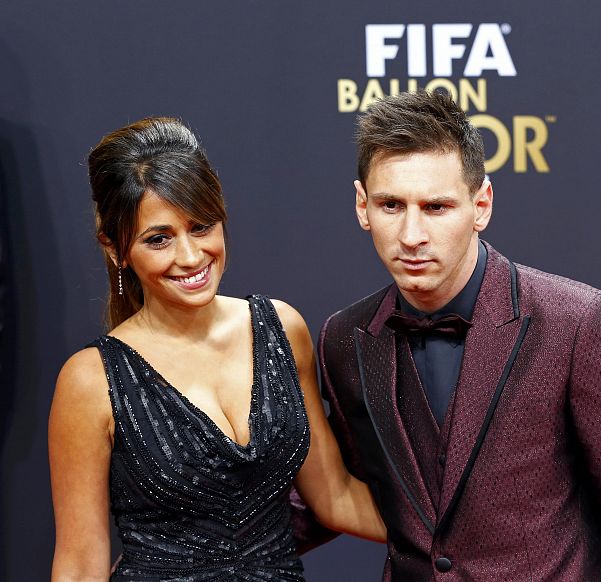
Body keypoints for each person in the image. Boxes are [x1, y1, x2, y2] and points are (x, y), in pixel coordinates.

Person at [314, 91, 601, 580]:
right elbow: (339, 488)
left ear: (480, 205)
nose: (411, 234)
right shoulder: (344, 337)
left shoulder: (579, 322)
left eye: (436, 207)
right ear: (362, 206)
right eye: (391, 205)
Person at [48, 117, 385, 581]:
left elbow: (335, 496)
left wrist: (463, 536)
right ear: (116, 249)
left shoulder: (282, 330)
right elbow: (81, 565)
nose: (189, 256)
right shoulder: (91, 381)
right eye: (158, 239)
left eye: (201, 226)